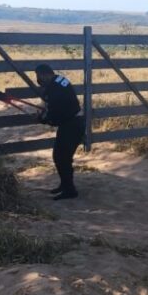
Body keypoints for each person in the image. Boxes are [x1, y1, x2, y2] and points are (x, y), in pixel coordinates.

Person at [35, 64, 84, 200]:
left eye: (38, 76)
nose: (38, 80)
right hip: (71, 123)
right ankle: (65, 185)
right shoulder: (58, 82)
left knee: (62, 157)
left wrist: (44, 120)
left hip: (72, 125)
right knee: (60, 156)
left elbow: (56, 113)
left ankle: (70, 190)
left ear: (45, 74)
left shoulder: (54, 88)